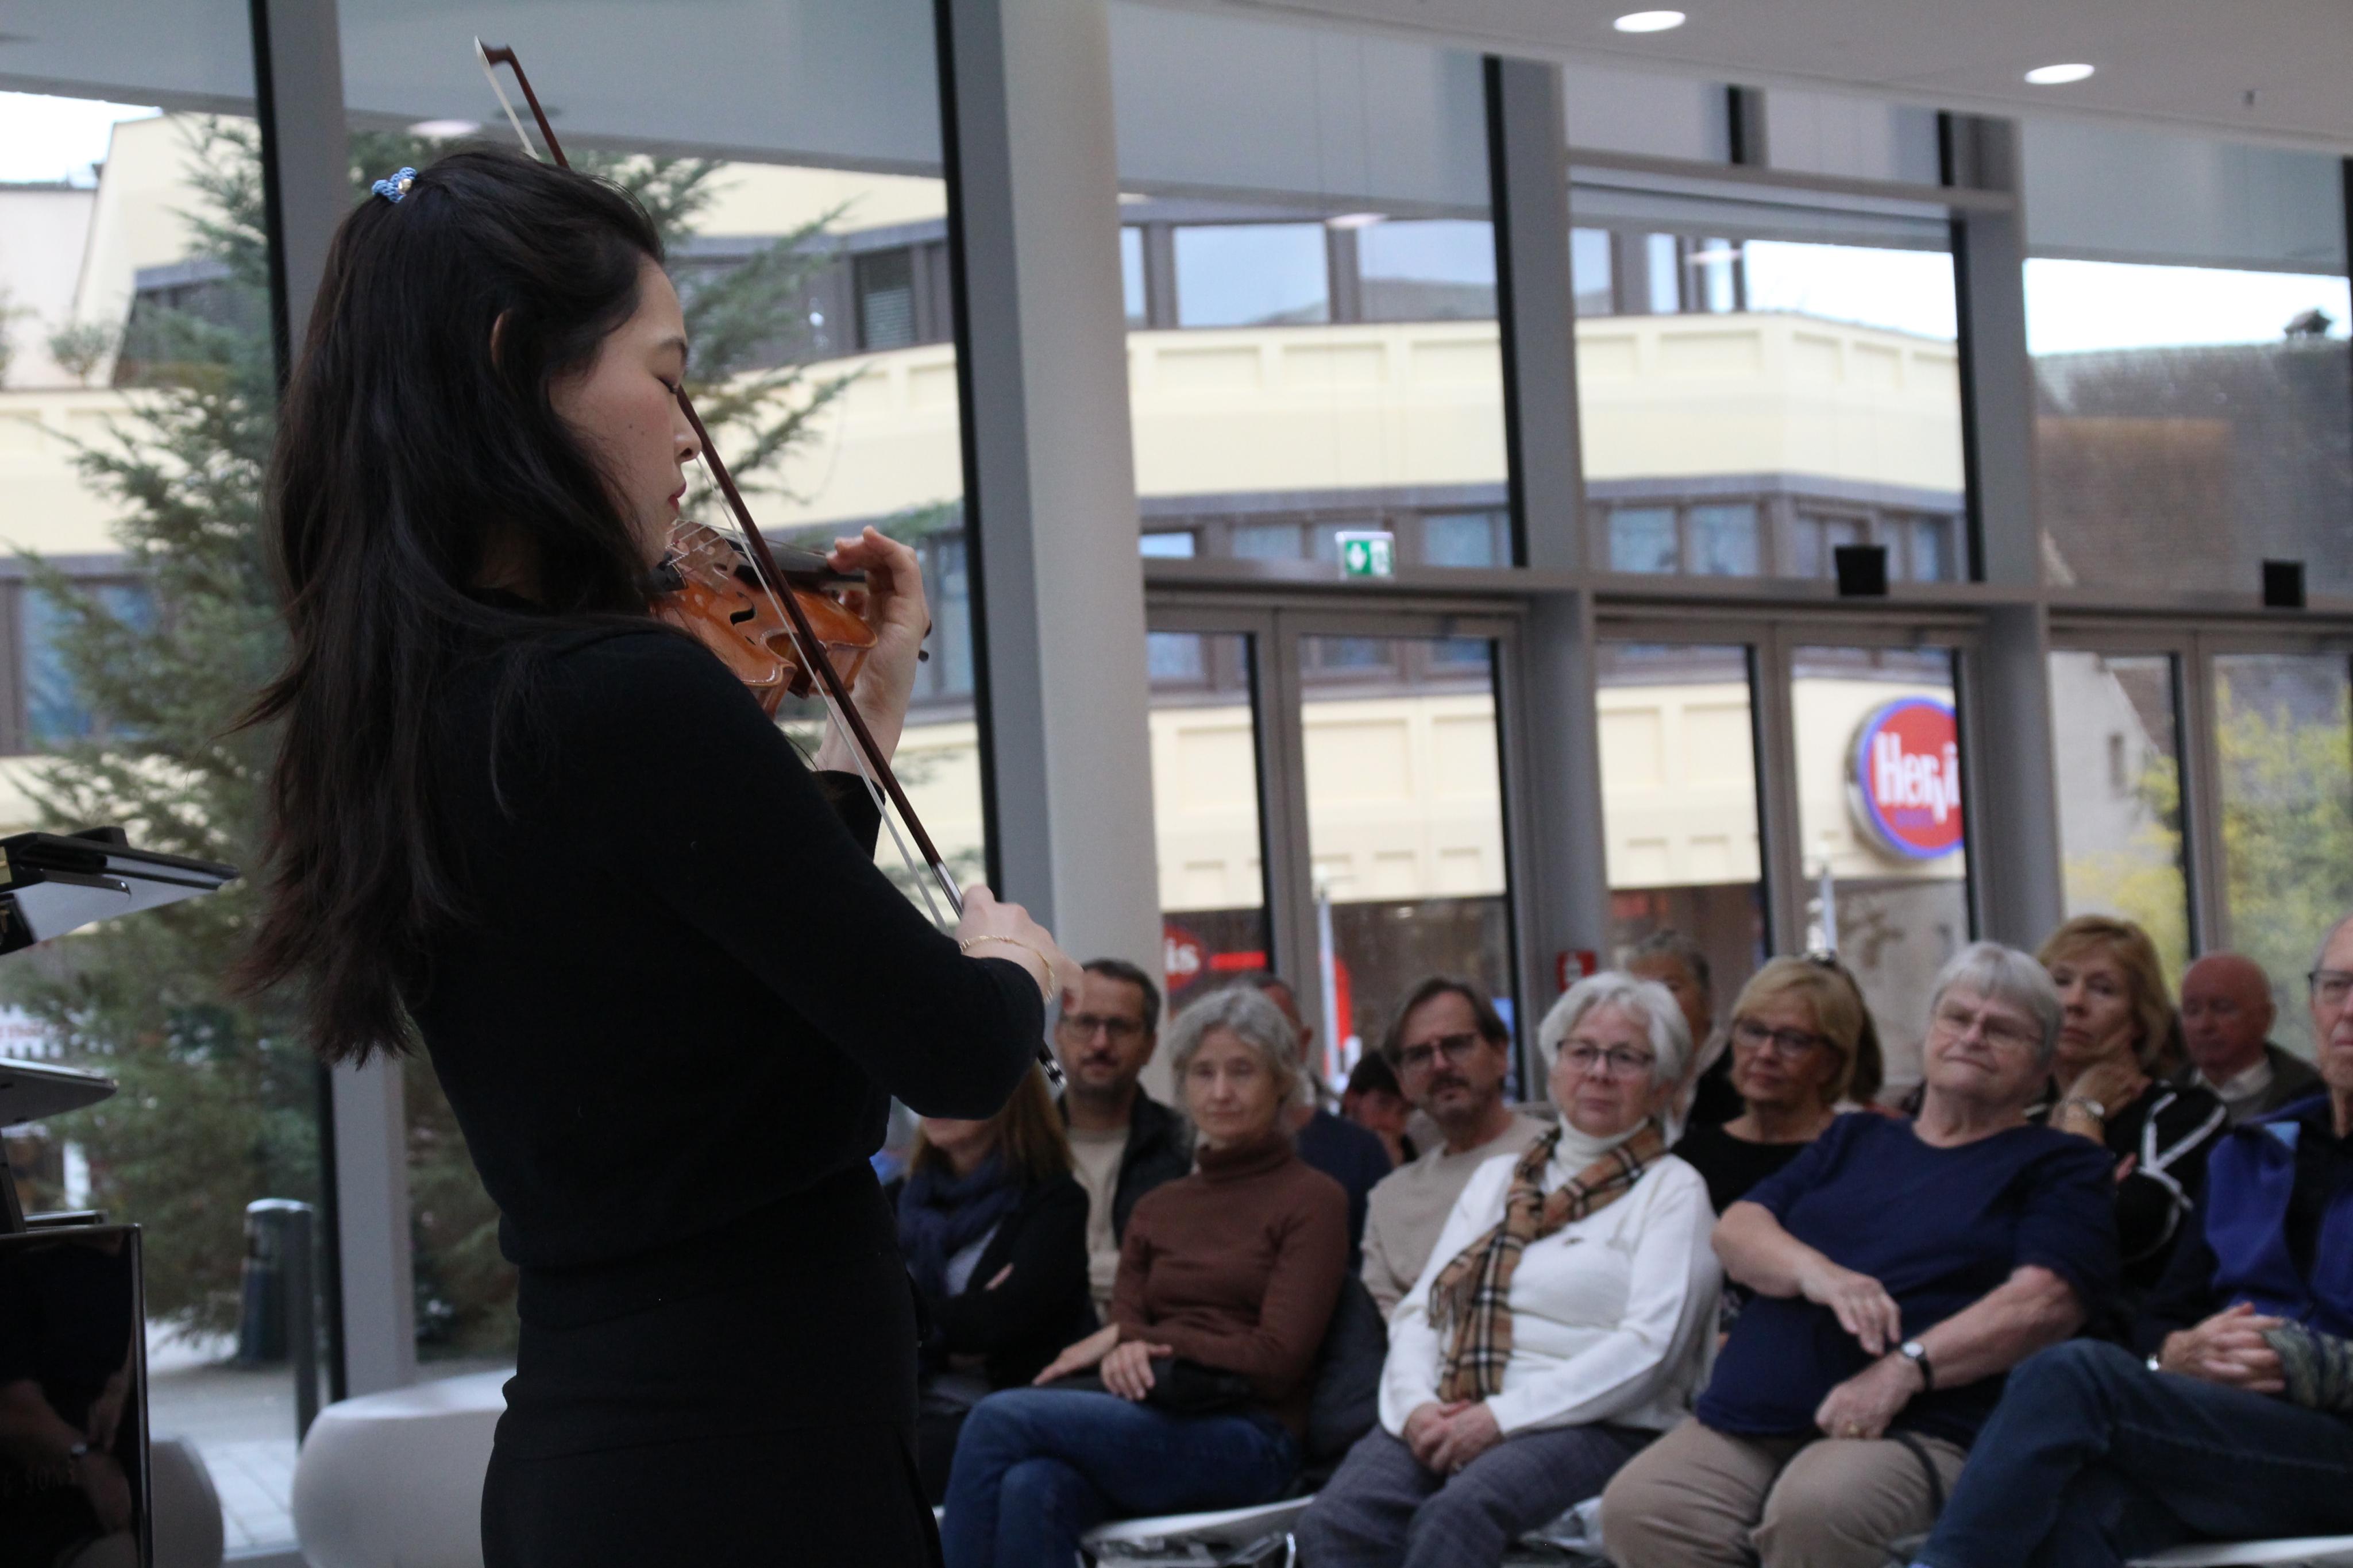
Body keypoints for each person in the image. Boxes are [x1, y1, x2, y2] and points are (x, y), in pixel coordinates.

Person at [233, 150, 1081, 1567]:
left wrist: (859, 726)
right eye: (667, 375)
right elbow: (950, 1050)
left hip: (606, 1459)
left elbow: (753, 1020)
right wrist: (1011, 963)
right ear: (518, 363)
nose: (692, 436)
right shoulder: (625, 691)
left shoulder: (426, 710)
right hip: (751, 1473)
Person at [1601, 943, 2120, 1568]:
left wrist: (1905, 1368)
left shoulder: (2061, 1165)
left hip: (1921, 1422)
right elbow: (1738, 1231)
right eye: (1958, 1017)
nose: (1972, 1037)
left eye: (2001, 1030)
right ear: (1929, 1032)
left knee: (1818, 1509)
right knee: (1642, 1507)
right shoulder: (1856, 1137)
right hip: (1755, 1411)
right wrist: (1821, 1276)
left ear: (2041, 1068)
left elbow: (2045, 1302)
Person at [1905, 913, 2353, 1567]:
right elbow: (2161, 1319)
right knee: (2074, 1517)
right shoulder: (2252, 1151)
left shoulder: (2198, 1124)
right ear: (2313, 1003)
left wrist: (2315, 1366)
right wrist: (2176, 1353)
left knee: (2075, 1371)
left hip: (2336, 1444)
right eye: (2336, 987)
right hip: (2237, 1432)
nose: (2348, 1011)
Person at [1297, 973, 1720, 1568]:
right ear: (1554, 1068)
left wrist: (1500, 1418)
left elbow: (1650, 1349)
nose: (1599, 1072)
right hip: (1453, 1404)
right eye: (1582, 1052)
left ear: (1664, 1085)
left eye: (1626, 1058)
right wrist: (1415, 1408)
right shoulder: (1500, 1180)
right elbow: (1425, 1310)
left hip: (1599, 1422)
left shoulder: (1673, 1191)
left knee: (1457, 1518)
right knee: (1335, 1524)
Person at [940, 987, 1349, 1567]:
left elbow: (1277, 1360)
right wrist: (1130, 1340)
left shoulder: (1313, 1198)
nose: (1221, 1092)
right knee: (1033, 1485)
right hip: (1151, 1417)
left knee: (998, 1418)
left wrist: (1141, 1339)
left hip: (1254, 1436)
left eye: (1242, 1072)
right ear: (1182, 1085)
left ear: (1282, 1082)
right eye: (1203, 1073)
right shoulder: (1159, 1206)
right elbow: (1128, 1330)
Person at [890, 1067, 1094, 1504]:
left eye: (954, 1083)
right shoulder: (893, 1202)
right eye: (926, 1087)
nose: (934, 1101)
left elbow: (1003, 1319)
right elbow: (861, 1319)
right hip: (901, 1408)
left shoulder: (1054, 1204)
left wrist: (909, 1324)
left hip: (996, 1415)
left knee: (889, 1468)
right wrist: (953, 1325)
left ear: (1007, 1093)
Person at [2038, 917, 2227, 1309]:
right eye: (2061, 981)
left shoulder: (2185, 1111)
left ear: (2139, 1019)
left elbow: (2123, 1230)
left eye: (2103, 989)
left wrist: (2082, 1113)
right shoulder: (2023, 1116)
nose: (2074, 1002)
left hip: (2126, 1332)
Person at [1360, 979, 1552, 1319]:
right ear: (1402, 1080)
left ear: (1500, 1054)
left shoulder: (1561, 1155)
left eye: (1457, 1045)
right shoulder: (1388, 1201)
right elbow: (1384, 1325)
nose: (1440, 1065)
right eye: (1420, 1055)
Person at [1671, 956, 1865, 1216]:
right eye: (1754, 1031)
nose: (1766, 1054)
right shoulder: (1693, 1157)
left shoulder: (1855, 1153)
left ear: (1830, 1063)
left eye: (1793, 1040)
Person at [1056, 958, 1194, 1320]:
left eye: (1119, 1027)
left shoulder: (1187, 1146)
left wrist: (1059, 1273)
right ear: (1059, 1035)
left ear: (1150, 1046)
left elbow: (1187, 1275)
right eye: (1085, 1023)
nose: (1100, 1043)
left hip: (1155, 1342)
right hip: (1044, 1347)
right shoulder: (1023, 1147)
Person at [1248, 971, 1397, 1266]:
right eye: (1250, 1035)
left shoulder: (1360, 1151)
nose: (1263, 1050)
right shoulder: (1203, 1156)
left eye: (1277, 1033)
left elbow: (1383, 1267)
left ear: (1304, 1043)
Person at [2174, 951, 2320, 1125]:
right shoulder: (2163, 1099)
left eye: (2222, 1008)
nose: (2204, 1025)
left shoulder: (2312, 1097)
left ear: (2265, 1017)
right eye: (2192, 1011)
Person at [1629, 931, 1738, 1131]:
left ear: (1708, 999)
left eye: (1670, 988)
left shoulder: (1741, 1073)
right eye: (1642, 991)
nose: (1657, 1002)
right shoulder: (1637, 1079)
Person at [1344, 1049, 1418, 1167]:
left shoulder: (1410, 1154)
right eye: (1383, 1104)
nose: (1391, 1122)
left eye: (1403, 1111)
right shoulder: (1323, 1150)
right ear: (1352, 1099)